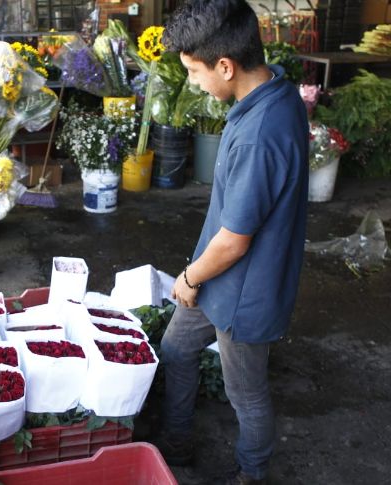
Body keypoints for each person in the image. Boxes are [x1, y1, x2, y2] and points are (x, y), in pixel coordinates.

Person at [152, 1, 309, 484]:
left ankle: (251, 473)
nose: (194, 84)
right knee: (177, 350)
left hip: (242, 290)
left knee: (247, 393)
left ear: (226, 65)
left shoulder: (262, 132)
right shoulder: (272, 93)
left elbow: (236, 241)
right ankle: (176, 444)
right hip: (216, 277)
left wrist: (188, 277)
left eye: (195, 73)